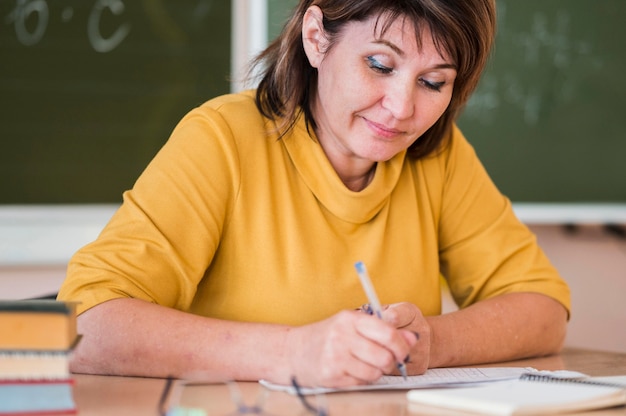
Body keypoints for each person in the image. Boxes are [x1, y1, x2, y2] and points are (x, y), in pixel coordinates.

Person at [58, 0, 570, 388]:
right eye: (380, 65)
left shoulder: (438, 155)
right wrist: (291, 353)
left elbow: (543, 311)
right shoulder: (222, 140)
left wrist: (431, 342)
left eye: (433, 82)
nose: (400, 107)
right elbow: (83, 324)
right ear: (316, 38)